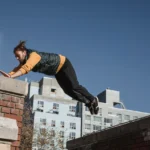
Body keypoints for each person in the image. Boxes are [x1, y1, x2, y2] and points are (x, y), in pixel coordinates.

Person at [8, 41, 99, 115]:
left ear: (24, 52)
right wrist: (9, 75)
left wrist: (12, 76)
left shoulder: (33, 56)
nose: (16, 58)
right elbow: (17, 69)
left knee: (74, 86)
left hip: (63, 64)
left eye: (18, 55)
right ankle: (88, 103)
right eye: (15, 56)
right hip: (57, 71)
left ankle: (93, 99)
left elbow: (25, 69)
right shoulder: (24, 61)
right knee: (67, 91)